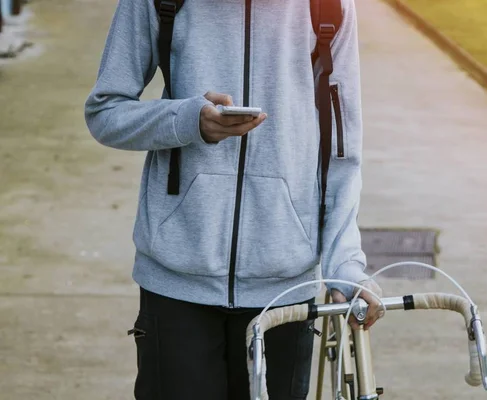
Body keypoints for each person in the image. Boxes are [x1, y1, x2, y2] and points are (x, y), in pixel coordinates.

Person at [84, 0, 383, 398]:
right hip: (176, 285)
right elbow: (105, 112)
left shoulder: (326, 6)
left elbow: (342, 151)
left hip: (283, 291)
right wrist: (188, 121)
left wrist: (344, 263)